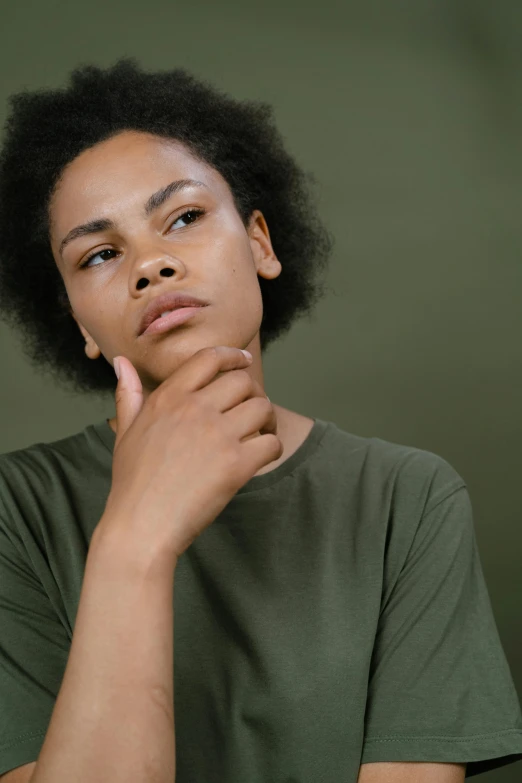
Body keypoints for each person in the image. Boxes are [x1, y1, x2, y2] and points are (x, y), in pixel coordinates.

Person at [0, 58, 521, 783]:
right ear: (80, 324)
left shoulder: (409, 499)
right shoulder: (15, 512)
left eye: (183, 217)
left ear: (261, 243)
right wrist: (134, 541)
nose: (150, 266)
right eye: (101, 254)